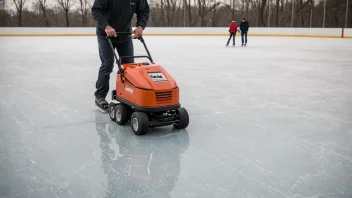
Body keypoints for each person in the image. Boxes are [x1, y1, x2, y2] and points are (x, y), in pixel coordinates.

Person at [91, 0, 150, 107]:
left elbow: (144, 11)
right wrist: (106, 26)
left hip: (125, 34)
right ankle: (100, 95)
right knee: (107, 64)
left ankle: (126, 94)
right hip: (105, 34)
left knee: (129, 66)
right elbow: (96, 10)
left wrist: (141, 26)